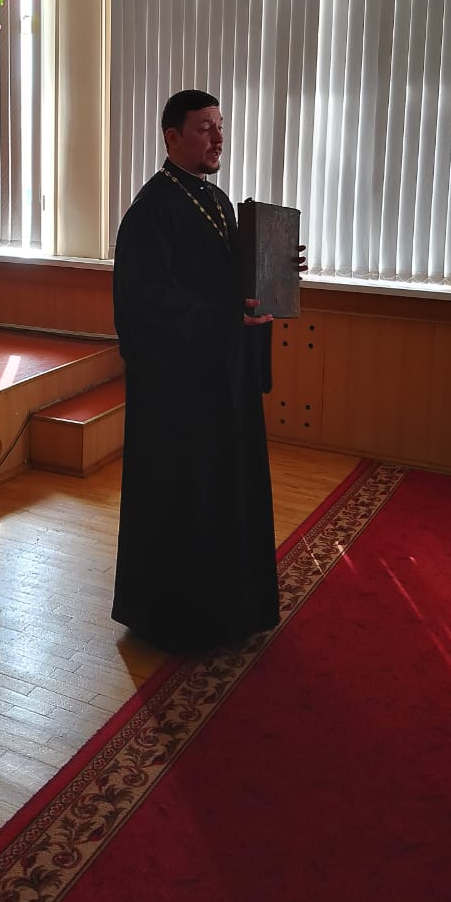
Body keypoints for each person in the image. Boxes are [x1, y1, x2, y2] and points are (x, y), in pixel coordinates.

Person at [111, 89, 295, 653]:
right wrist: (223, 314)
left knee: (228, 495)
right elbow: (147, 302)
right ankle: (177, 619)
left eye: (220, 126)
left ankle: (234, 607)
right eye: (204, 128)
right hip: (179, 393)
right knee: (187, 501)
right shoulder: (150, 211)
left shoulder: (217, 202)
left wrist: (277, 269)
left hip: (224, 380)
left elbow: (233, 283)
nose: (218, 139)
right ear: (172, 137)